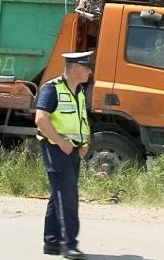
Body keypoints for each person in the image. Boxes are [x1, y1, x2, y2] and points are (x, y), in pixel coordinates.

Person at [35, 51, 93, 260]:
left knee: (58, 194)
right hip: (56, 149)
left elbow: (81, 120)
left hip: (73, 151)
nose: (90, 71)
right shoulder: (52, 89)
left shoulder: (79, 91)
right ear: (76, 69)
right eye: (87, 68)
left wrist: (84, 143)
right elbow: (41, 120)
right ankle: (69, 244)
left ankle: (51, 243)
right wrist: (61, 142)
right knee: (67, 196)